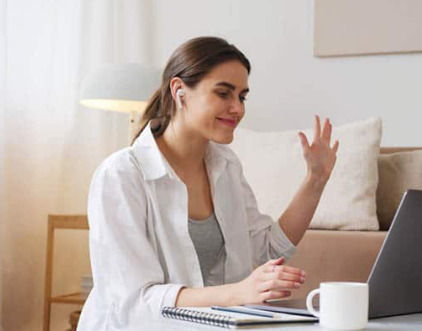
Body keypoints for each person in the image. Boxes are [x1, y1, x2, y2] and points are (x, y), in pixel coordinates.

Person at [77, 36, 339, 330]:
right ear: (179, 91)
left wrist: (316, 179)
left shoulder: (226, 166)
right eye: (223, 93)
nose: (237, 108)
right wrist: (237, 293)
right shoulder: (121, 175)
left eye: (241, 96)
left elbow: (266, 250)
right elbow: (134, 301)